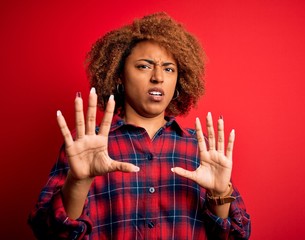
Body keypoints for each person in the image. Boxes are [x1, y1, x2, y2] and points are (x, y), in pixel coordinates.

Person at [28, 12, 251, 239]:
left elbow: (235, 235)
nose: (158, 77)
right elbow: (48, 233)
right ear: (119, 76)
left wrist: (219, 194)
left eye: (169, 68)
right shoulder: (85, 145)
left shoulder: (200, 149)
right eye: (144, 66)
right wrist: (78, 182)